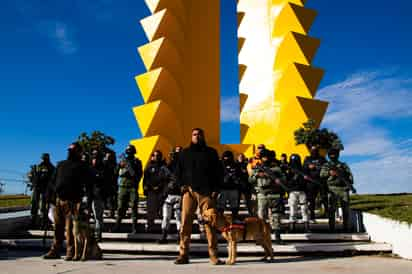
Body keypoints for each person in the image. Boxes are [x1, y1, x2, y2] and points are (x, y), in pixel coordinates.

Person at [174, 128, 224, 265]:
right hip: (189, 192)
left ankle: (213, 256)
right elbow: (177, 173)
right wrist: (182, 186)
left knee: (210, 224)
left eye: (199, 134)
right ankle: (183, 254)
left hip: (207, 193)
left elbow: (219, 173)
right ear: (191, 137)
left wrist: (216, 189)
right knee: (185, 223)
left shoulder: (211, 153)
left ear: (203, 136)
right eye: (194, 134)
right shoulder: (184, 153)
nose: (197, 136)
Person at [43, 142, 90, 260]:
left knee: (70, 229)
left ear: (79, 152)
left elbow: (89, 183)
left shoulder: (83, 166)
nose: (70, 152)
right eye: (69, 150)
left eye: (73, 150)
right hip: (58, 200)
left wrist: (86, 201)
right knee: (58, 227)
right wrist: (48, 196)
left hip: (73, 202)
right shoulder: (61, 165)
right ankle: (55, 250)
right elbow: (52, 181)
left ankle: (71, 251)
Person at [249, 149, 287, 244]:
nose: (265, 159)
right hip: (262, 194)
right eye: (263, 157)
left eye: (266, 157)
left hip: (274, 194)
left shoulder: (276, 169)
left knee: (276, 215)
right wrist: (258, 175)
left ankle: (277, 236)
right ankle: (260, 237)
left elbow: (284, 178)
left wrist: (277, 179)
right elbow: (250, 180)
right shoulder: (257, 168)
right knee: (261, 216)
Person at [320, 148, 355, 232]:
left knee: (346, 209)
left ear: (337, 155)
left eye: (334, 154)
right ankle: (331, 228)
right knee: (332, 209)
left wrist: (349, 183)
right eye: (331, 155)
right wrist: (329, 173)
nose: (333, 156)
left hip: (343, 189)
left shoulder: (343, 165)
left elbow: (350, 175)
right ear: (329, 156)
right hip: (332, 189)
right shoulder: (327, 165)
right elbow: (321, 174)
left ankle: (346, 228)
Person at [113, 145, 143, 233]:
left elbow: (139, 174)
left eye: (130, 150)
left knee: (134, 206)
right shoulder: (122, 161)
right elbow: (115, 172)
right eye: (128, 151)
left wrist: (133, 173)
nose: (129, 152)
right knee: (120, 207)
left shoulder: (137, 162)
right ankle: (117, 226)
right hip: (123, 186)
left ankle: (134, 227)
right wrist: (119, 166)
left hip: (133, 186)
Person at [158, 146, 183, 244]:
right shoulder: (167, 167)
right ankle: (164, 236)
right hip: (168, 194)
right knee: (166, 216)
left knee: (179, 217)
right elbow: (160, 178)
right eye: (174, 154)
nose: (175, 156)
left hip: (179, 194)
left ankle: (179, 237)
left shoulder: (184, 167)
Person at [143, 150, 171, 233]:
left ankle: (163, 229)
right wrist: (147, 188)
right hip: (151, 191)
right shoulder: (149, 166)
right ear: (152, 156)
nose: (156, 157)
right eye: (155, 155)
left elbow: (167, 179)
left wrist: (162, 188)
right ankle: (149, 226)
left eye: (158, 155)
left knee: (162, 211)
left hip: (161, 191)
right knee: (150, 210)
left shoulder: (164, 167)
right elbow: (146, 179)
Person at [28, 153, 55, 228]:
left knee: (43, 207)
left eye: (44, 159)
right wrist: (32, 180)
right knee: (34, 205)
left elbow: (53, 179)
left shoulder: (51, 168)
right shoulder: (36, 166)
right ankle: (33, 222)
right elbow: (30, 175)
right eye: (42, 158)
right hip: (36, 188)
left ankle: (43, 222)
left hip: (45, 190)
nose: (43, 160)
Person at [286, 154, 310, 232]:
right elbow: (287, 182)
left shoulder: (303, 170)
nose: (294, 163)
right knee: (292, 209)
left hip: (302, 191)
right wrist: (293, 179)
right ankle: (292, 227)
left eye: (295, 161)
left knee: (304, 209)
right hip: (293, 191)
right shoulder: (289, 170)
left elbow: (307, 182)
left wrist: (305, 179)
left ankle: (306, 227)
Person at [303, 146, 327, 221]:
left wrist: (317, 167)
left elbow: (326, 167)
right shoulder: (307, 159)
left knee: (324, 197)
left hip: (321, 181)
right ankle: (312, 215)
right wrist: (308, 167)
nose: (314, 151)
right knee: (311, 199)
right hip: (310, 182)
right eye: (312, 150)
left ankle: (326, 213)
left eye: (315, 150)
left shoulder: (322, 158)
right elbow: (303, 168)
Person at [217, 151, 242, 220]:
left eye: (228, 157)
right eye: (225, 157)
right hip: (223, 189)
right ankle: (220, 220)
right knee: (220, 207)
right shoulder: (220, 165)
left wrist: (236, 178)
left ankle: (234, 220)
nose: (227, 158)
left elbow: (240, 176)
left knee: (234, 207)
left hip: (233, 189)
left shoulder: (236, 165)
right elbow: (216, 176)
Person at [89, 149, 106, 242]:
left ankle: (98, 235)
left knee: (98, 217)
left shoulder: (103, 169)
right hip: (88, 195)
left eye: (96, 158)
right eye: (93, 157)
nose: (94, 160)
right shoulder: (89, 168)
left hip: (98, 195)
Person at [103, 151, 118, 218]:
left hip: (112, 184)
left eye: (109, 156)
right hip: (105, 183)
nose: (107, 158)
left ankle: (111, 212)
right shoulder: (104, 163)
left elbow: (116, 174)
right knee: (105, 199)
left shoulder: (114, 165)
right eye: (106, 156)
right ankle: (107, 211)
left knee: (111, 199)